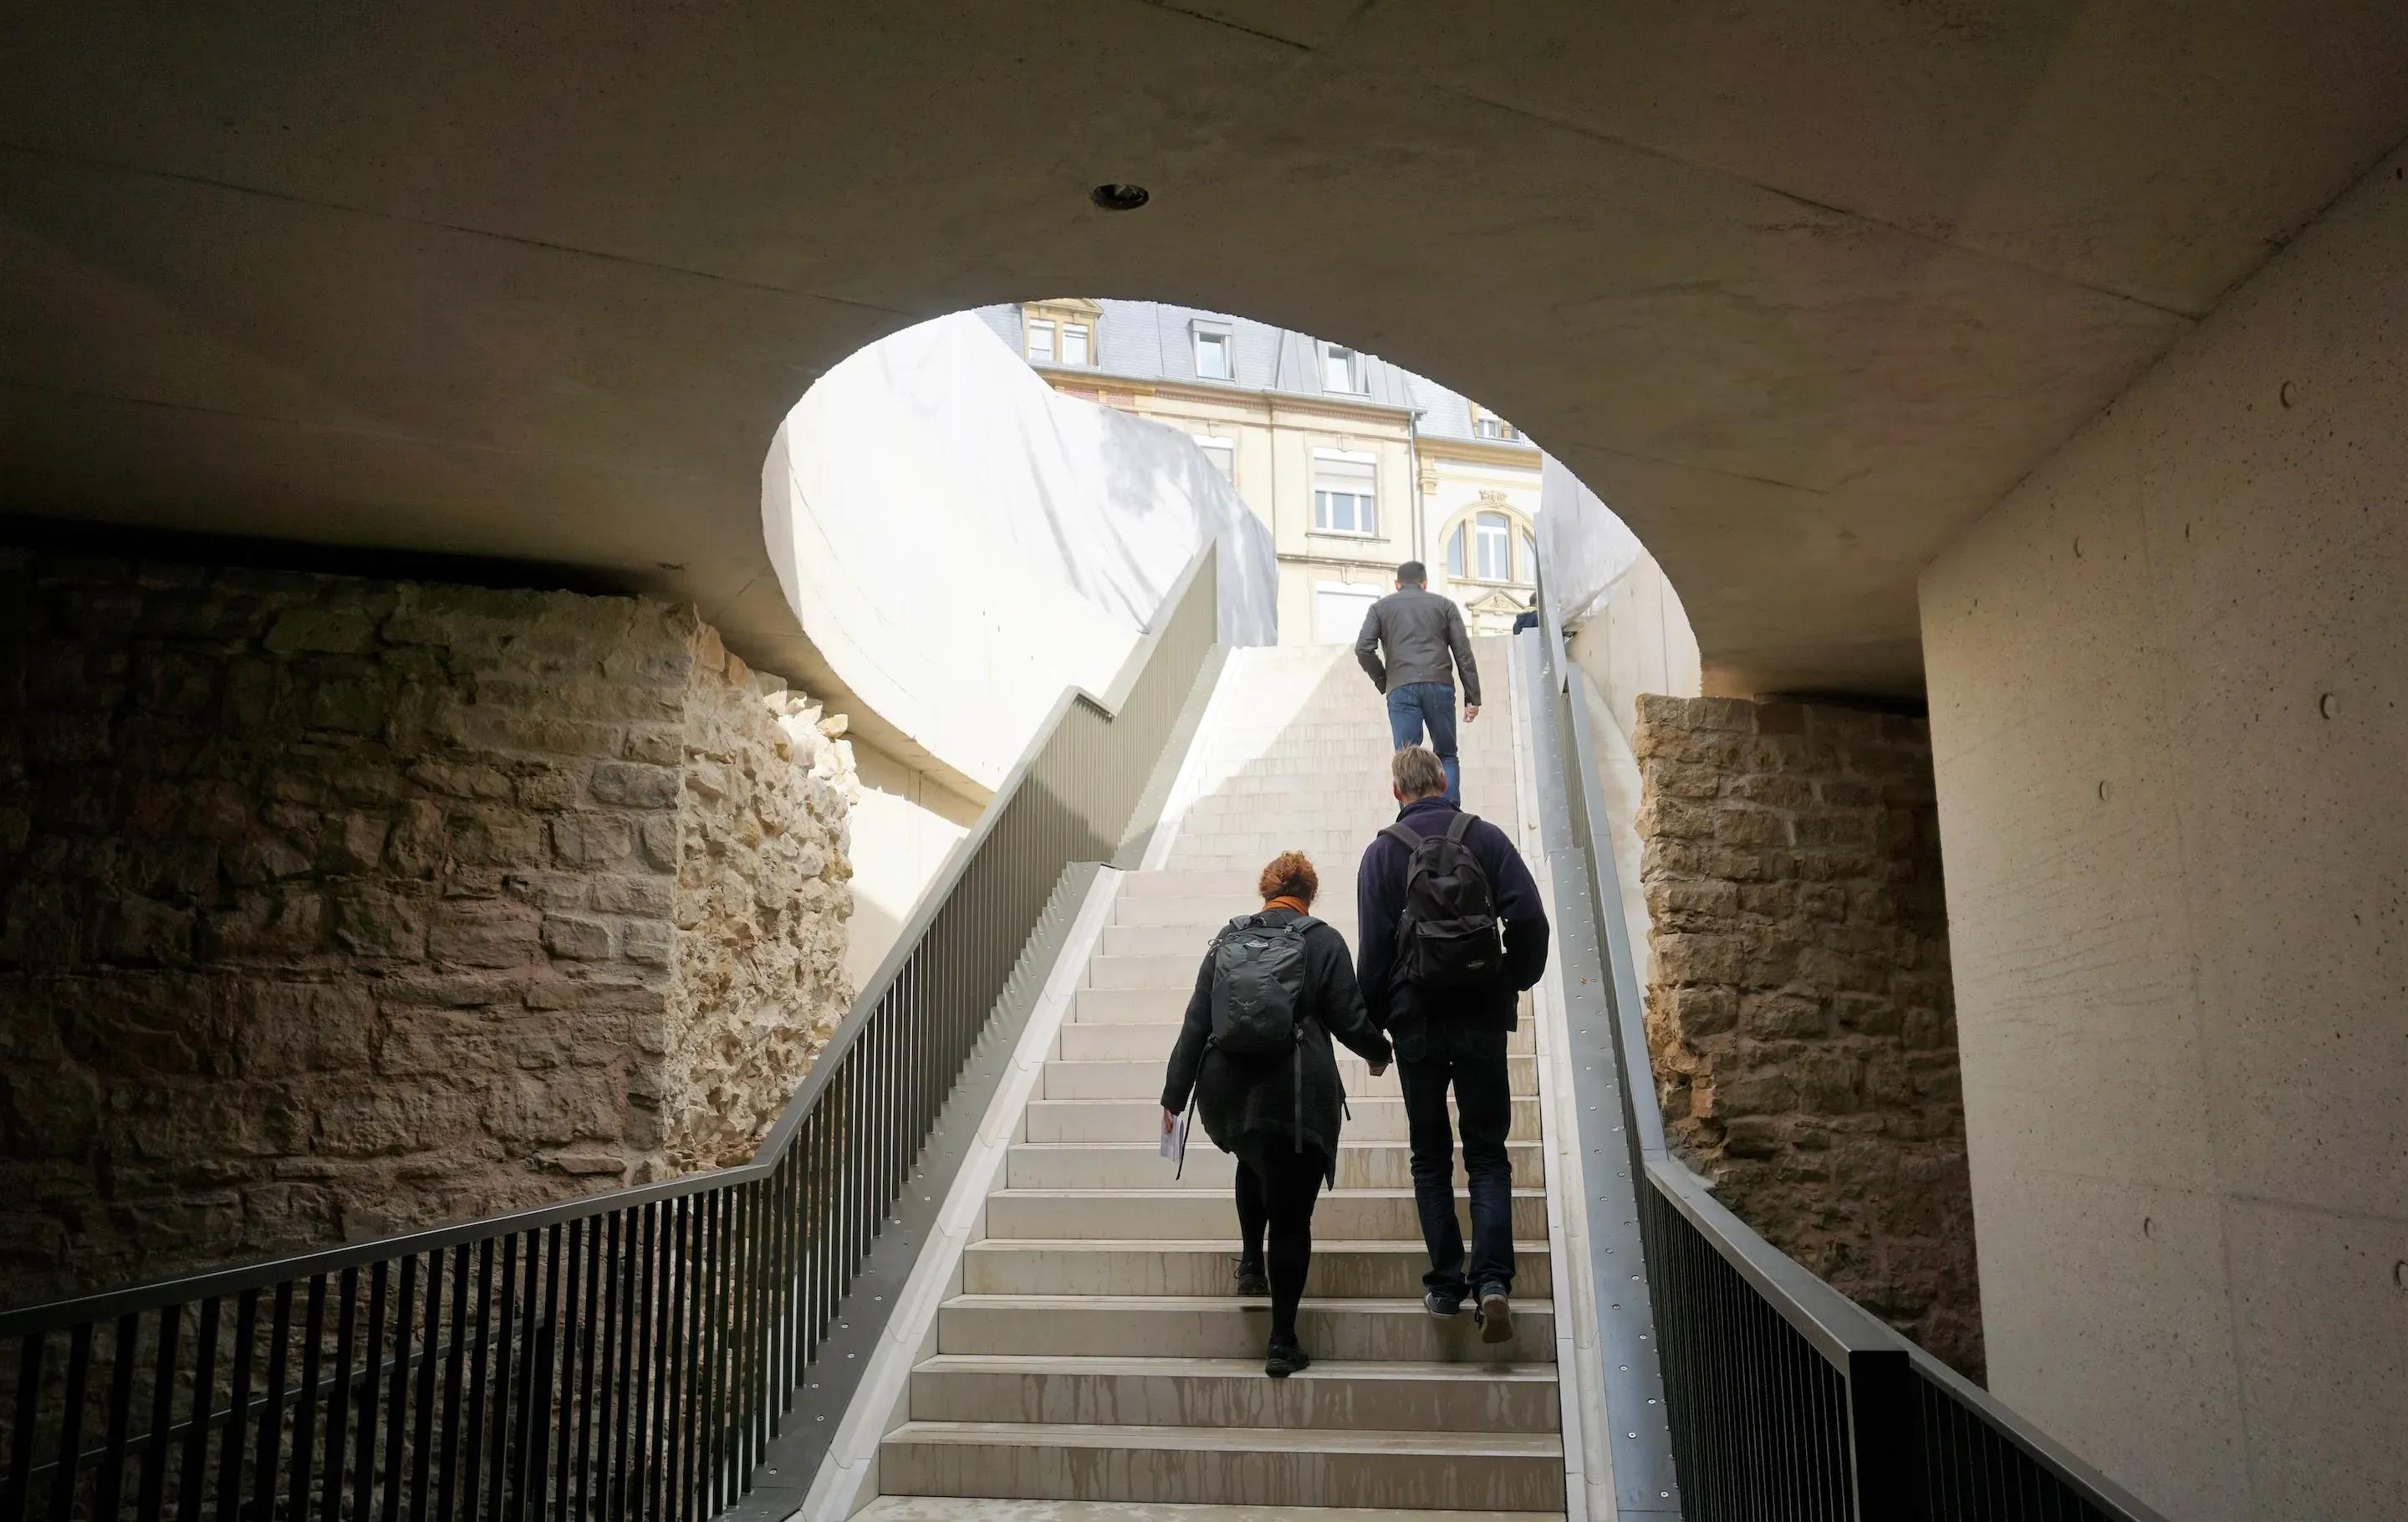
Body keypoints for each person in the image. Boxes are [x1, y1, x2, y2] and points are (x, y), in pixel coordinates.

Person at [1161, 850, 1393, 1377]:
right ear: (1310, 894)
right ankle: (1283, 1341)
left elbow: (1197, 1021)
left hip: (1228, 1090)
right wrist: (1380, 1052)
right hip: (1294, 1091)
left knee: (1254, 1159)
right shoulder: (1323, 940)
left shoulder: (1229, 938)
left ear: (1266, 892)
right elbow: (1349, 1017)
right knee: (1290, 1216)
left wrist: (1174, 1094)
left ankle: (1250, 1263)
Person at [1355, 745, 1549, 1342]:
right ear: (1443, 781)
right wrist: (1511, 979)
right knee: (1487, 1153)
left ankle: (1445, 1284)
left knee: (1430, 1155)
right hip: (1480, 1016)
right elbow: (1531, 919)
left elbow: (1372, 956)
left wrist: (1377, 1032)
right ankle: (1492, 1283)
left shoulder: (1382, 854)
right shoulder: (1484, 838)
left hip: (1415, 1021)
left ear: (1397, 792)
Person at [1354, 560, 1479, 806]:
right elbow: (1463, 653)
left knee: (1406, 758)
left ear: (1397, 584)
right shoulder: (1444, 605)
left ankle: (1411, 815)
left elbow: (1363, 649)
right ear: (1425, 584)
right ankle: (1449, 813)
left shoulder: (1380, 608)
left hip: (1401, 688)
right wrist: (1472, 697)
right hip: (1439, 684)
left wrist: (1384, 680)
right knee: (1447, 754)